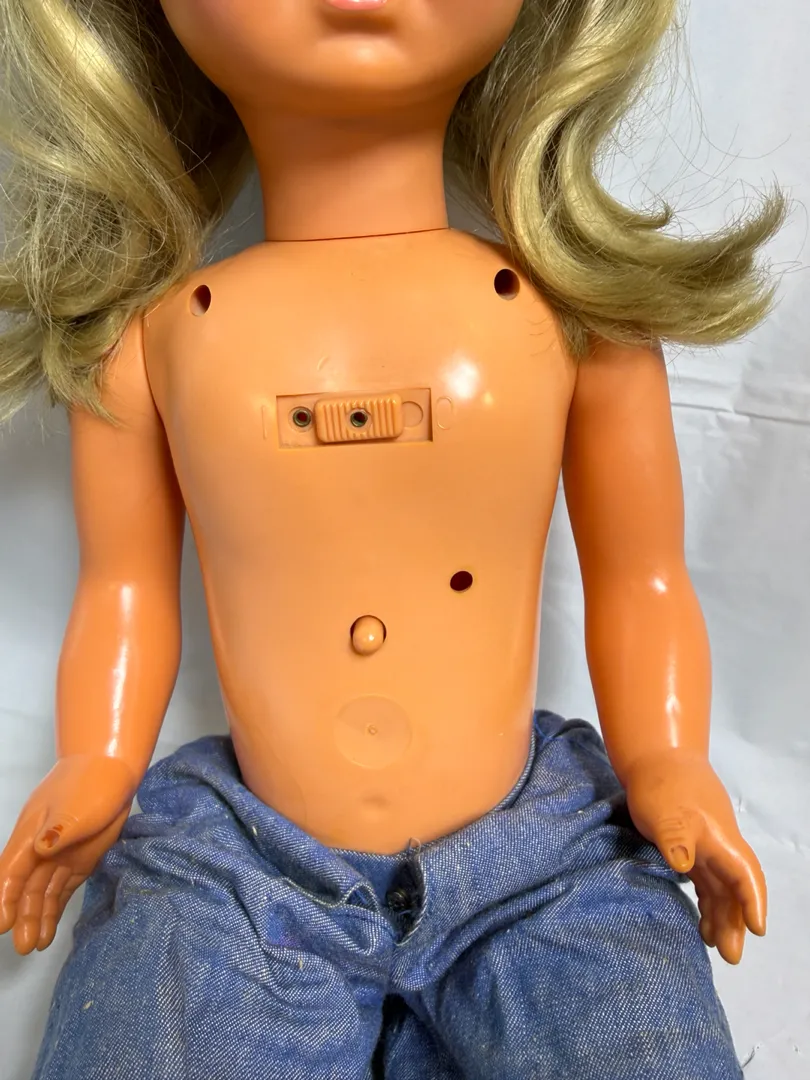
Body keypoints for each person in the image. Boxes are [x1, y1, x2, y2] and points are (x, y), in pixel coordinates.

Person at [0, 1, 789, 1076]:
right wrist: (96, 760)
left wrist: (666, 759)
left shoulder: (578, 318)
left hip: (543, 855)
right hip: (238, 865)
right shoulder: (150, 343)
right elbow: (121, 589)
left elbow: (643, 579)